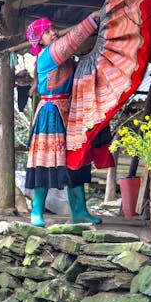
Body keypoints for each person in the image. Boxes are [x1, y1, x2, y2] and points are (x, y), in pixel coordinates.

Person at [25, 14, 103, 227]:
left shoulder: (64, 57)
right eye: (47, 31)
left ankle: (79, 212)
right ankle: (37, 211)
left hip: (68, 111)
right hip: (50, 113)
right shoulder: (47, 55)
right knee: (46, 160)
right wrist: (93, 19)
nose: (53, 32)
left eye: (53, 29)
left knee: (76, 160)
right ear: (39, 40)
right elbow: (73, 39)